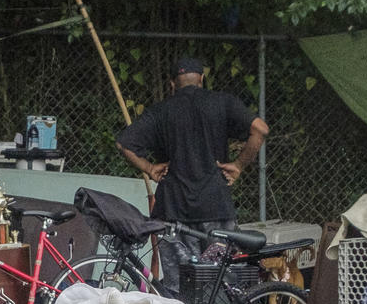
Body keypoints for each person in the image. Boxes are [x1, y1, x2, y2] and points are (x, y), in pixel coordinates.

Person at [114, 56, 269, 231]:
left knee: (179, 260)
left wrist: (149, 168)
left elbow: (123, 143)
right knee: (216, 259)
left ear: (172, 83)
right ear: (202, 78)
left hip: (172, 210)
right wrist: (239, 165)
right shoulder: (223, 102)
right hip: (216, 206)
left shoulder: (159, 111)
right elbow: (260, 129)